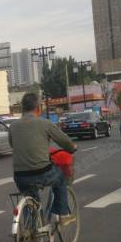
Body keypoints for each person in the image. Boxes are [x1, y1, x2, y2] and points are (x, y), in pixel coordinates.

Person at [9, 93, 77, 225]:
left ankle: (30, 228)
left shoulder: (13, 126)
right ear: (38, 108)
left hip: (20, 176)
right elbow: (64, 141)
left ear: (23, 108)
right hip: (42, 173)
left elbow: (13, 145)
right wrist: (72, 147)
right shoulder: (45, 123)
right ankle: (62, 214)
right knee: (60, 178)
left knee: (30, 197)